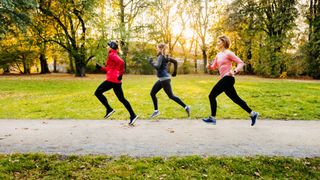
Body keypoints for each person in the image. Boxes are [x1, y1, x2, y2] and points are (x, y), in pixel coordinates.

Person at [203, 35, 259, 126]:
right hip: (224, 79)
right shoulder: (218, 55)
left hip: (228, 78)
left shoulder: (228, 53)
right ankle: (253, 113)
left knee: (211, 96)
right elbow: (214, 67)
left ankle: (212, 118)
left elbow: (241, 62)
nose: (217, 43)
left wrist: (234, 71)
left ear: (224, 42)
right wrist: (209, 66)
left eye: (219, 41)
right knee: (236, 99)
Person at [95, 40, 138, 125]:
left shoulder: (112, 55)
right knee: (122, 99)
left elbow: (121, 62)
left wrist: (121, 74)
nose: (107, 47)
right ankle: (133, 115)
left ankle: (109, 109)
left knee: (97, 93)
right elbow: (110, 69)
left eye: (108, 46)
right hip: (116, 80)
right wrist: (100, 68)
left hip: (112, 80)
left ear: (111, 47)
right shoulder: (113, 54)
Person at [148, 43, 190, 118]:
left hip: (164, 79)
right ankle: (156, 111)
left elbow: (157, 67)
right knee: (152, 93)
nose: (156, 49)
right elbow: (175, 62)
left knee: (171, 96)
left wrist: (151, 62)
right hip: (163, 79)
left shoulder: (161, 56)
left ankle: (186, 107)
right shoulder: (165, 56)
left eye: (157, 48)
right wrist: (175, 72)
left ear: (160, 49)